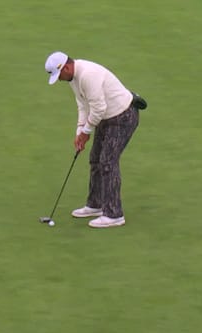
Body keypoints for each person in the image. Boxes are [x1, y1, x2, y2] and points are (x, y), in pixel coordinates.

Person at [45, 51, 142, 228]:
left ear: (66, 67)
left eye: (59, 76)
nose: (59, 80)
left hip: (123, 116)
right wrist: (80, 131)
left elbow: (98, 108)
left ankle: (114, 214)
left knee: (108, 162)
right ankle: (95, 204)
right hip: (106, 118)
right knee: (95, 159)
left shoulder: (87, 75)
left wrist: (86, 132)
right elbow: (83, 105)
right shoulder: (72, 78)